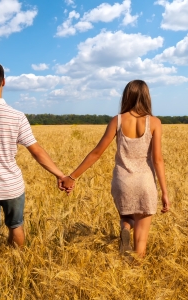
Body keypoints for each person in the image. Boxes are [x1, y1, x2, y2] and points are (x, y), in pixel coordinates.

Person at [0, 62, 69, 260]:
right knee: (16, 227)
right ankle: (19, 266)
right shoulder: (17, 116)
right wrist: (60, 174)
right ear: (4, 82)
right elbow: (36, 151)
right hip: (12, 187)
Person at [60, 80, 170, 258]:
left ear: (127, 96)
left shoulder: (117, 120)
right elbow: (158, 160)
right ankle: (135, 269)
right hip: (145, 182)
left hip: (122, 182)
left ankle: (125, 227)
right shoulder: (155, 122)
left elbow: (96, 153)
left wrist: (72, 177)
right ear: (147, 97)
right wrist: (165, 192)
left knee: (127, 216)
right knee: (141, 238)